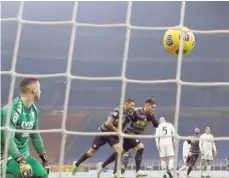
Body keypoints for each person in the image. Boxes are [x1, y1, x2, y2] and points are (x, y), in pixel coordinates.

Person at [71, 98, 135, 176]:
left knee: (120, 151)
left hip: (112, 135)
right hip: (103, 132)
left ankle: (115, 173)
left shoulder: (128, 114)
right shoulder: (118, 111)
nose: (133, 107)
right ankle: (76, 164)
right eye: (131, 105)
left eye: (134, 106)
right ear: (126, 104)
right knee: (91, 153)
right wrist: (117, 130)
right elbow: (108, 124)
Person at [0, 78, 49, 178]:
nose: (40, 91)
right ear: (34, 90)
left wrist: (43, 157)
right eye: (39, 88)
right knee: (24, 173)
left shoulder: (34, 110)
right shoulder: (12, 110)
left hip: (25, 156)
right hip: (7, 157)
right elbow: (8, 138)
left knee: (43, 174)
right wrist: (20, 160)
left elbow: (35, 136)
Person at [97, 98, 158, 178]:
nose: (154, 109)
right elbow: (126, 120)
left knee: (120, 152)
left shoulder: (151, 115)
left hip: (135, 136)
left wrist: (153, 118)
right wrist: (120, 131)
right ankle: (138, 171)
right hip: (129, 134)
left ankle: (102, 166)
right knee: (140, 147)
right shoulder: (137, 112)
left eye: (154, 107)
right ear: (147, 106)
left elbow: (156, 125)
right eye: (152, 107)